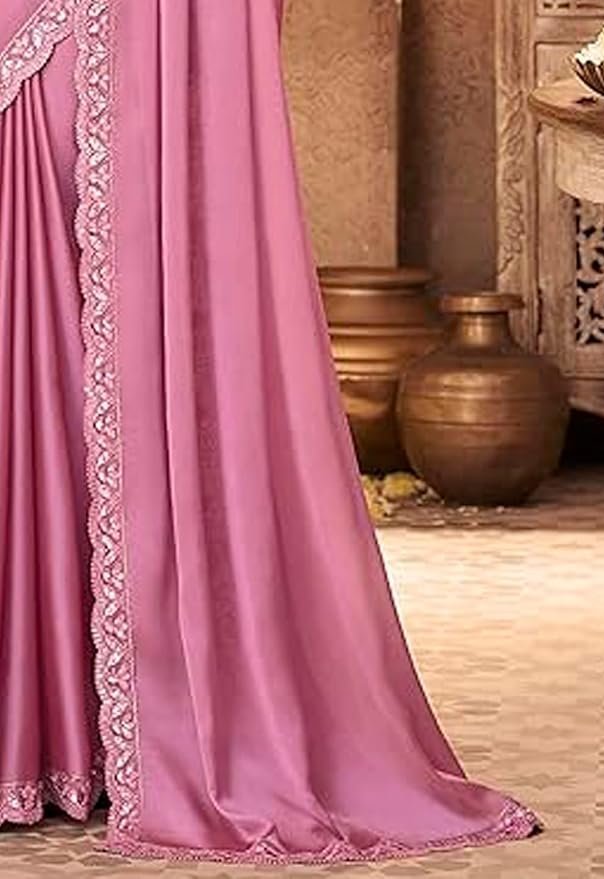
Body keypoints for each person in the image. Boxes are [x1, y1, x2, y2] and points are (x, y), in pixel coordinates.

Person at [0, 0, 540, 865]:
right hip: (64, 46)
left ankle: (90, 732)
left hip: (119, 37)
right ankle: (70, 734)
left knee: (105, 343)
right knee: (62, 342)